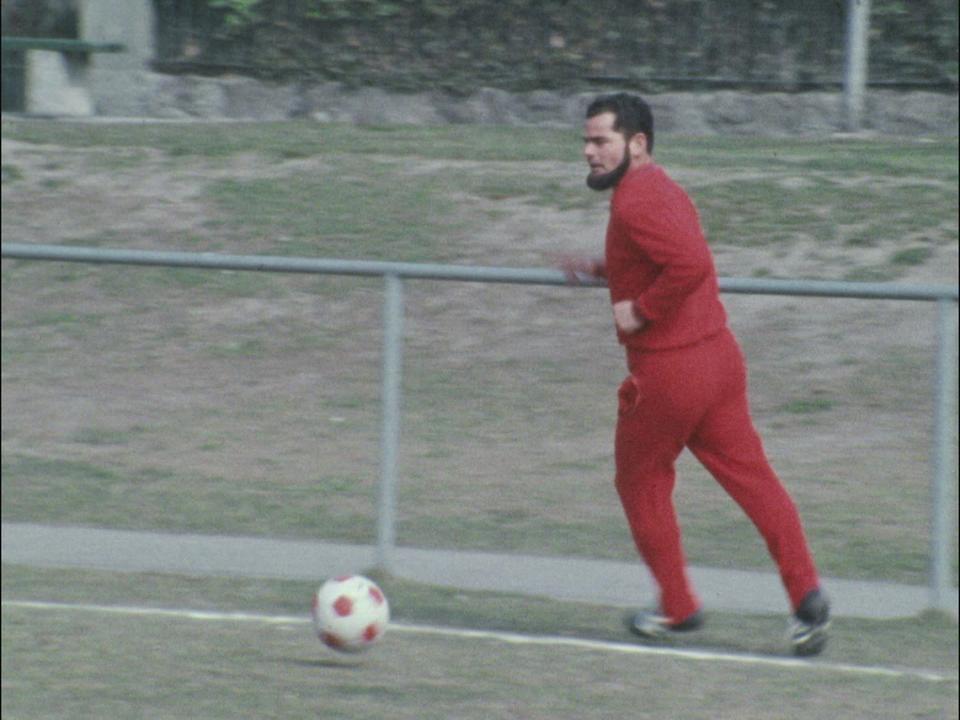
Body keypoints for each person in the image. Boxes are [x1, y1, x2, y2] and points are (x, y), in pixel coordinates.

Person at [562, 93, 830, 656]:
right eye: (586, 141)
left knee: (639, 482)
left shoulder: (635, 201)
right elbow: (664, 255)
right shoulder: (660, 189)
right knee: (753, 478)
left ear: (637, 144)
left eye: (600, 141)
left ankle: (680, 608)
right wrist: (604, 271)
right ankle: (806, 596)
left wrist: (640, 310)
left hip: (669, 370)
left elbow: (689, 264)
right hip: (719, 360)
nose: (589, 151)